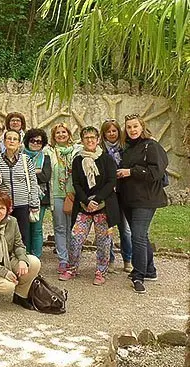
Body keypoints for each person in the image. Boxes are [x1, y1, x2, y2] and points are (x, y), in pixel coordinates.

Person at [59, 126, 120, 285]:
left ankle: (101, 271)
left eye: (93, 137)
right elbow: (77, 183)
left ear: (98, 139)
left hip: (103, 206)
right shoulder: (78, 160)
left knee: (103, 240)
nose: (90, 140)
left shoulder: (106, 159)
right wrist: (86, 201)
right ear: (82, 140)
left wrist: (98, 199)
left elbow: (111, 181)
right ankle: (72, 268)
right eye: (86, 138)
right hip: (84, 206)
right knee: (75, 238)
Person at [116, 114, 168, 294]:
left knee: (137, 236)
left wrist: (130, 171)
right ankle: (150, 270)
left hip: (145, 199)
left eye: (135, 126)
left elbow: (156, 172)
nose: (132, 130)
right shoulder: (129, 148)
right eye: (129, 127)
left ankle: (138, 275)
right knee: (142, 236)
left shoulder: (152, 146)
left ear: (142, 127)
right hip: (128, 199)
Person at [44, 123, 81, 273]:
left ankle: (73, 257)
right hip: (57, 194)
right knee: (60, 227)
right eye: (57, 132)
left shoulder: (77, 151)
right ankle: (63, 260)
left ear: (69, 134)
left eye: (63, 132)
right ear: (54, 136)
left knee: (73, 228)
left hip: (74, 194)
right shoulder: (49, 152)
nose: (61, 135)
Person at [0, 130, 40, 247]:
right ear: (4, 142)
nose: (11, 141)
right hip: (4, 205)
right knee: (4, 235)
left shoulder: (25, 160)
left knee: (22, 236)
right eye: (9, 138)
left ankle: (22, 261)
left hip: (22, 204)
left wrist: (34, 202)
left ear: (19, 143)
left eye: (15, 139)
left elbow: (32, 181)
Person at [100, 119, 132, 273]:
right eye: (108, 131)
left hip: (124, 191)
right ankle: (110, 260)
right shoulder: (100, 150)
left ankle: (128, 259)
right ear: (104, 133)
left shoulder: (126, 148)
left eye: (114, 131)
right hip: (108, 193)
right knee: (108, 228)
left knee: (125, 229)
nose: (111, 134)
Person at [22, 129, 51, 257]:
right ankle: (26, 255)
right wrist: (36, 172)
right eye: (32, 140)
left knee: (37, 228)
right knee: (25, 227)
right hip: (23, 195)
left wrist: (28, 172)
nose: (35, 143)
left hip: (40, 197)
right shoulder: (20, 156)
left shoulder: (45, 158)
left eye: (39, 141)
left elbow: (45, 177)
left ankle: (37, 256)